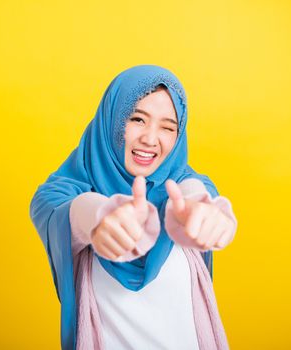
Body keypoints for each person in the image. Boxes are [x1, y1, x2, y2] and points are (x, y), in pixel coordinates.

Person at [29, 65, 237, 350]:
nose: (150, 139)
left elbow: (195, 193)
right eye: (138, 119)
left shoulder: (185, 187)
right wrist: (101, 216)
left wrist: (204, 209)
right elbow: (68, 210)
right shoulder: (58, 195)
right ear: (111, 119)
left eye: (167, 127)